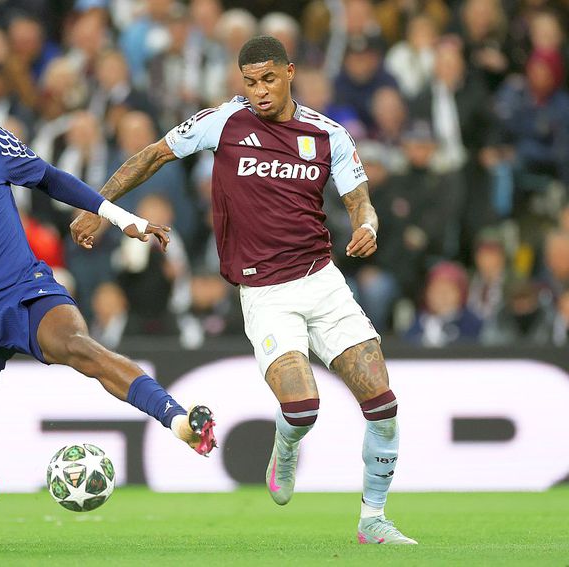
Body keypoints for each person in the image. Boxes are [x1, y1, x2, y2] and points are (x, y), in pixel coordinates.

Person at [71, 36, 417, 545]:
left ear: (290, 73)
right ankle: (287, 442)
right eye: (250, 82)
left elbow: (360, 200)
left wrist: (367, 223)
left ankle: (373, 520)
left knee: (382, 405)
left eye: (268, 79)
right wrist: (99, 208)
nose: (259, 91)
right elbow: (151, 156)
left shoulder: (328, 135)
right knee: (303, 408)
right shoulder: (223, 122)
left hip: (323, 283)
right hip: (265, 293)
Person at [0, 69, 216, 547]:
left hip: (21, 290)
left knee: (77, 345)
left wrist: (121, 218)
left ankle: (178, 419)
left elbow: (51, 179)